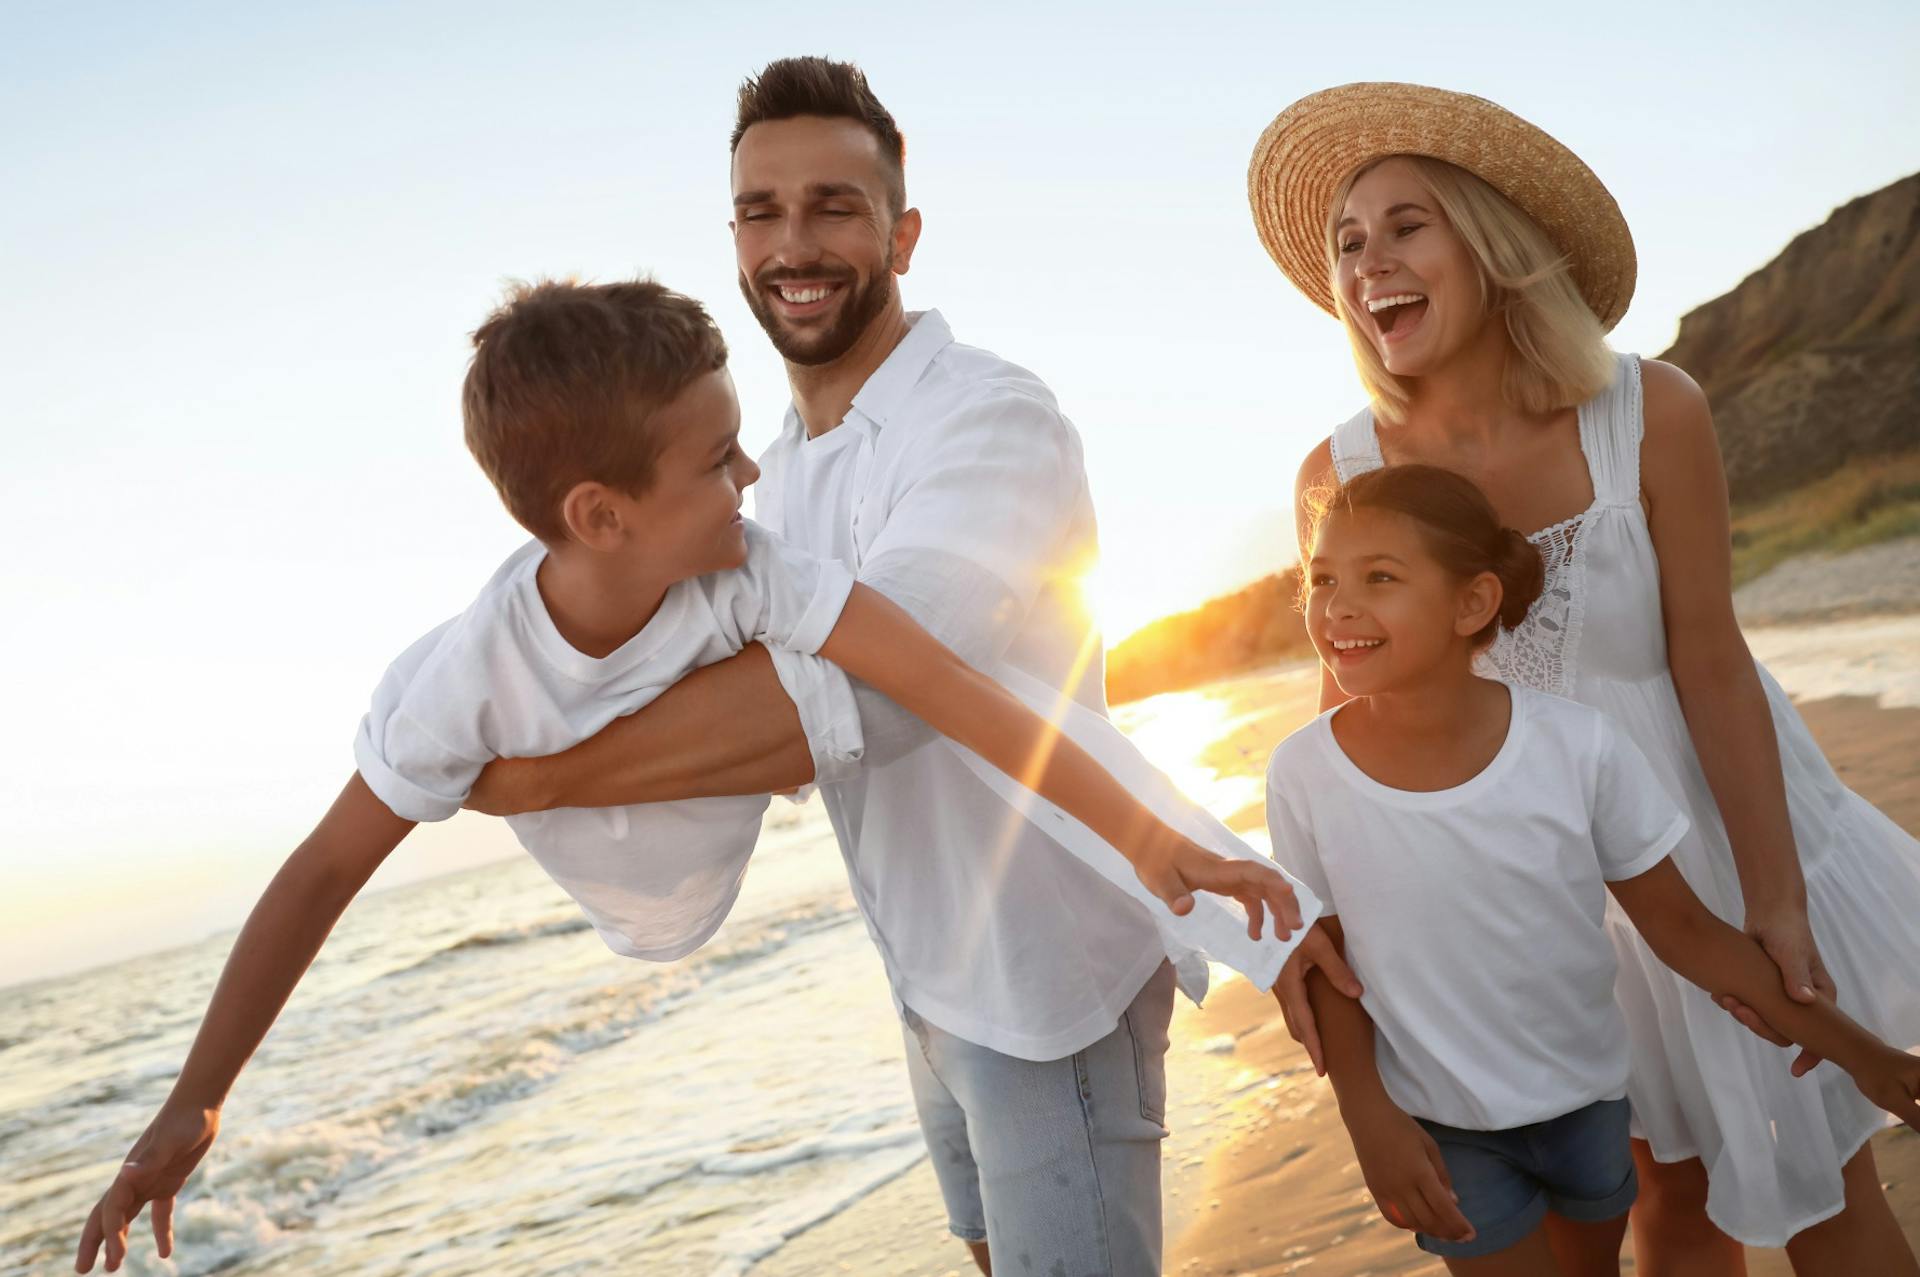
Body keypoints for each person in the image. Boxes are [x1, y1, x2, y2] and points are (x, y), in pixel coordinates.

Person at [71, 278, 1308, 1274]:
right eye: (719, 459)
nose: (754, 477)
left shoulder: (748, 566)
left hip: (903, 919)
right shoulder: (466, 686)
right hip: (635, 902)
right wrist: (196, 1103)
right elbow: (325, 868)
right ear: (601, 515)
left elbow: (949, 687)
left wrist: (1151, 840)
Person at [459, 57, 1303, 1274]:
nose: (792, 243)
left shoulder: (989, 420)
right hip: (923, 968)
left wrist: (546, 776)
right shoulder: (771, 466)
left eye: (834, 207)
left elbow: (865, 695)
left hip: (1042, 971)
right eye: (761, 211)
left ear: (902, 233)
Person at [1251, 81, 1920, 1273]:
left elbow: (1710, 659)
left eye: (1406, 225)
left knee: (1825, 1183)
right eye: (1348, 242)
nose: (1367, 264)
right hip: (1536, 892)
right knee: (1669, 1192)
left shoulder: (1646, 409)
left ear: (1494, 246)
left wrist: (1772, 897)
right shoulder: (1340, 469)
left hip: (1714, 828)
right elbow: (1354, 735)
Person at [1269, 462, 1920, 1276]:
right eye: (1321, 578)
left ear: (1472, 602)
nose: (1338, 606)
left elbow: (1685, 929)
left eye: (1380, 577)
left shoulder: (1576, 746)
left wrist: (1863, 1051)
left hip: (1591, 1106)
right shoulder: (1303, 774)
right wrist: (1368, 1117)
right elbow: (1326, 961)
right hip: (1444, 1125)